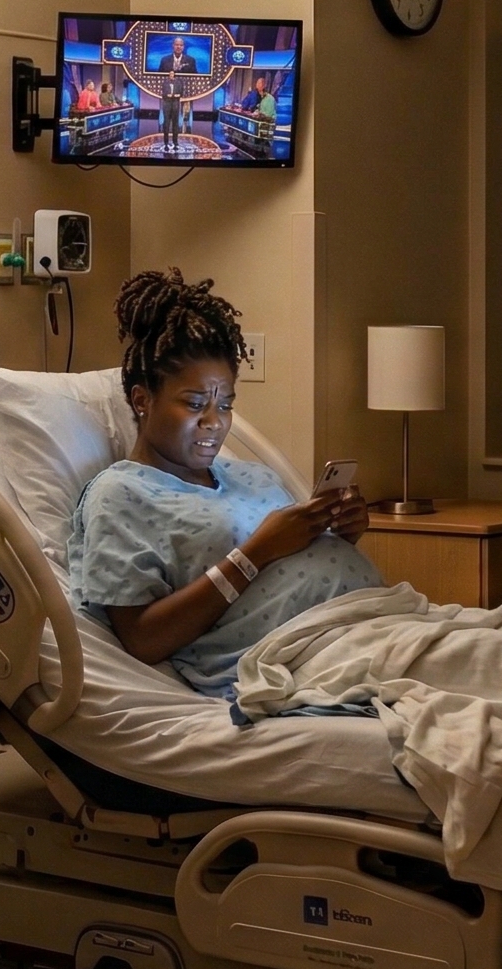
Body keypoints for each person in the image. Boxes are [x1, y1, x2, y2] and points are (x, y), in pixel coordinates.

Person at [66, 269, 380, 698]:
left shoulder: (254, 476)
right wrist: (256, 552)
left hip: (374, 620)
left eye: (226, 404)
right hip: (301, 656)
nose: (214, 422)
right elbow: (142, 638)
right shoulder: (122, 494)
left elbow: (292, 574)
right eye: (196, 404)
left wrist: (340, 532)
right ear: (142, 400)